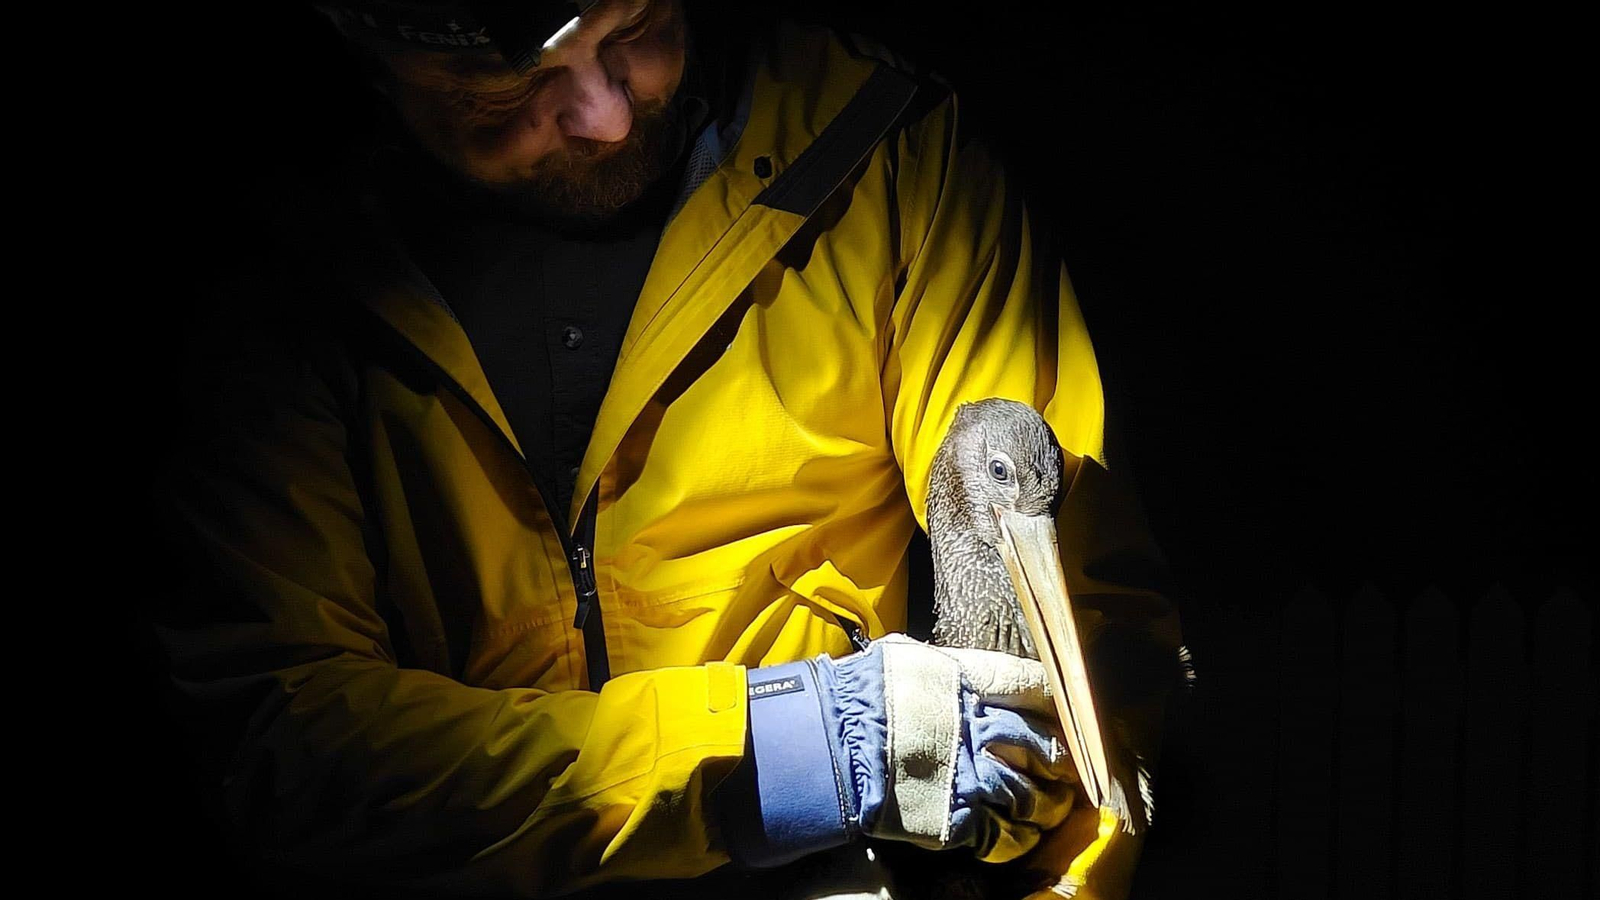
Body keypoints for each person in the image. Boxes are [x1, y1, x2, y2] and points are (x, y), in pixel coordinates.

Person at [146, 0, 1188, 897]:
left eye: (634, 27)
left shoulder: (886, 155)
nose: (605, 115)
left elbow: (1092, 643)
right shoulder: (271, 271)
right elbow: (273, 743)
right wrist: (790, 752)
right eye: (507, 89)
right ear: (375, 63)